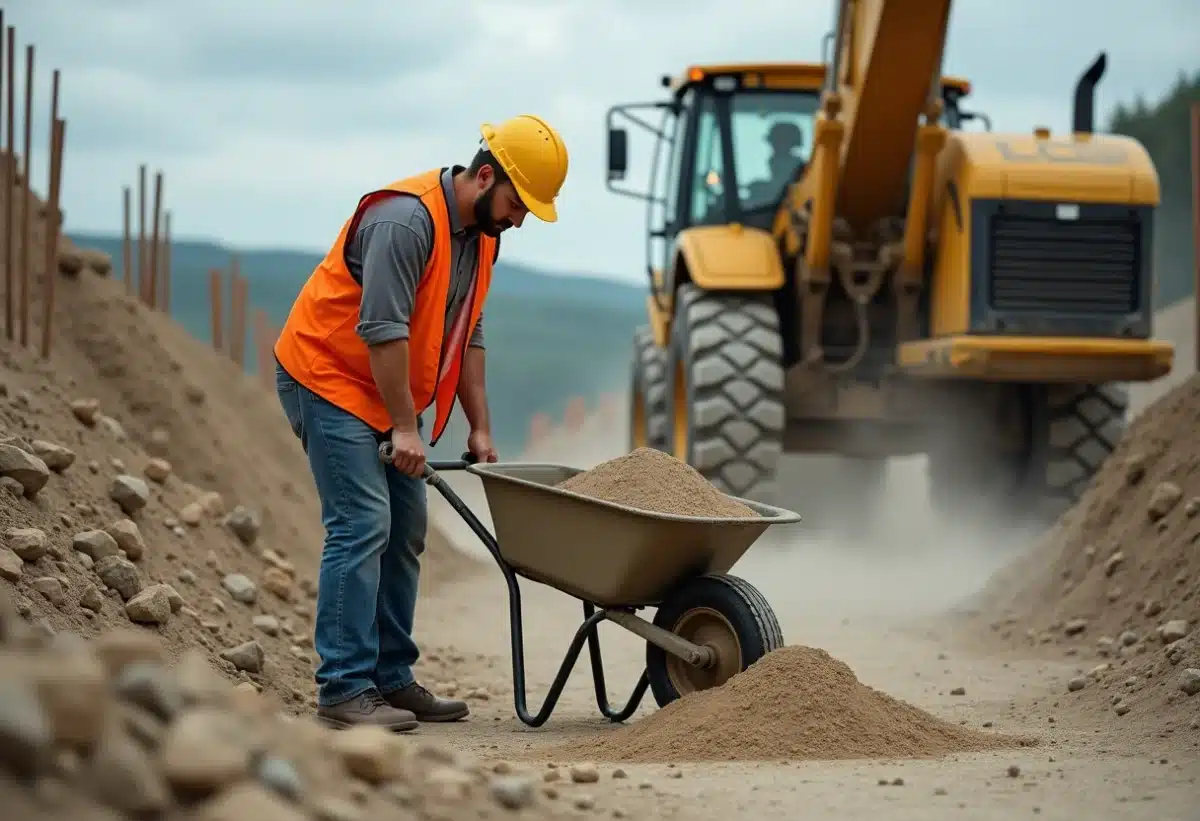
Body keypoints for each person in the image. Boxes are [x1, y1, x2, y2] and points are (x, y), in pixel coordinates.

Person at [273, 115, 569, 730]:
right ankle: (343, 688)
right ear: (484, 176)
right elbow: (383, 331)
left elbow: (467, 331)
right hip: (327, 378)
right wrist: (406, 430)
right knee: (362, 522)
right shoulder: (405, 222)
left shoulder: (484, 237)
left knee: (406, 527)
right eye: (518, 205)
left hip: (383, 393)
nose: (519, 220)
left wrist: (478, 425)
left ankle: (390, 678)